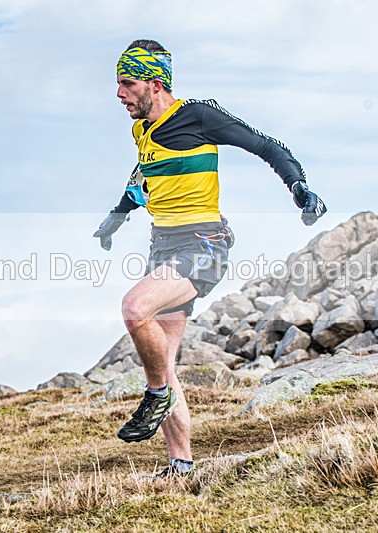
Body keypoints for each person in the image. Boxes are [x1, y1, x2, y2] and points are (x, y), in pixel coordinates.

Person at [93, 39, 326, 478]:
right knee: (164, 358)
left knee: (134, 309)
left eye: (127, 84)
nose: (119, 94)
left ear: (155, 83)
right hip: (162, 246)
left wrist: (299, 187)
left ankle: (156, 395)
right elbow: (143, 174)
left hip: (203, 244)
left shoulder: (198, 116)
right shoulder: (141, 129)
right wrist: (117, 215)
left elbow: (266, 145)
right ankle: (181, 464)